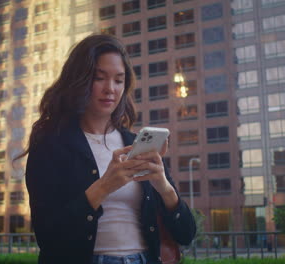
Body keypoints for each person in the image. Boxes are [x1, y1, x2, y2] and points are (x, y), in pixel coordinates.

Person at [19, 34, 196, 264]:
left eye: (119, 80)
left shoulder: (134, 143)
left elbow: (187, 234)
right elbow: (48, 236)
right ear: (79, 80)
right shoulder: (51, 143)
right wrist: (103, 187)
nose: (110, 89)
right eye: (99, 78)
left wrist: (163, 187)